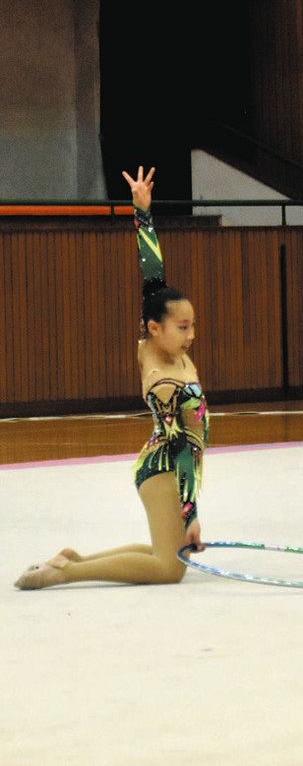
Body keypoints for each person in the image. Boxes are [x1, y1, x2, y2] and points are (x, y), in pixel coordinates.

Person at [14, 166, 209, 589]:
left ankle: (72, 558)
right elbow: (179, 448)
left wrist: (142, 213)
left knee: (166, 552)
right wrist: (190, 514)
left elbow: (153, 276)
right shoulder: (162, 380)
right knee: (169, 568)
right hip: (164, 468)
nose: (191, 335)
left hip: (175, 463)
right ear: (154, 328)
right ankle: (67, 574)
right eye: (182, 327)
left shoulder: (158, 339)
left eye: (193, 325)